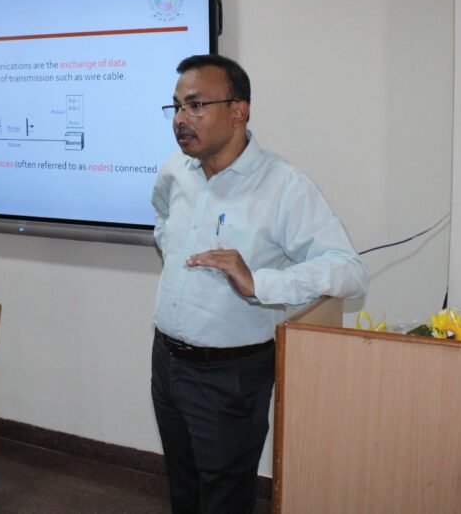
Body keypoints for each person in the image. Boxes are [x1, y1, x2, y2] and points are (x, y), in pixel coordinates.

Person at [151, 54, 369, 513]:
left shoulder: (283, 185)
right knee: (182, 486)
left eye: (196, 105)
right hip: (166, 361)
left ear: (239, 111)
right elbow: (162, 218)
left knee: (225, 498)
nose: (181, 119)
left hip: (229, 374)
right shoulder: (175, 170)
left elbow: (349, 269)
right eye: (176, 106)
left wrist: (260, 283)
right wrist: (171, 247)